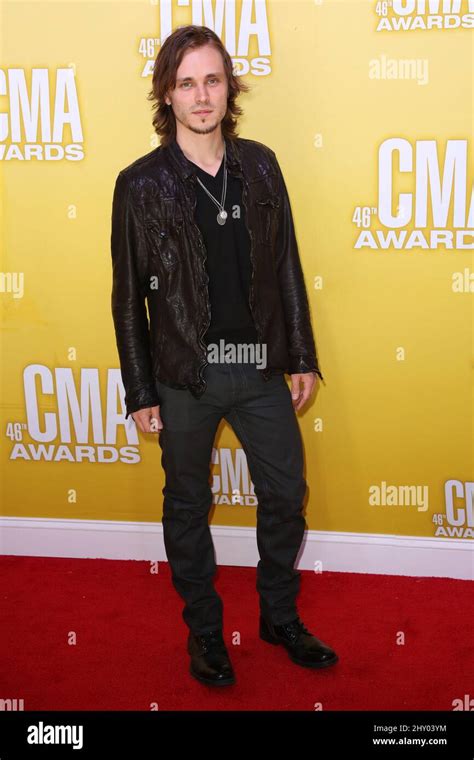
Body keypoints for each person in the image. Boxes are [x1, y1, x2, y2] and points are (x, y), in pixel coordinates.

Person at [110, 24, 338, 687]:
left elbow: (288, 265)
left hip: (261, 363)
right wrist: (140, 390)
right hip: (183, 374)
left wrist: (301, 353)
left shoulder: (261, 165)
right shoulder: (140, 185)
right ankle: (206, 635)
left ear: (228, 87)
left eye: (212, 80)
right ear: (167, 94)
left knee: (287, 495)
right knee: (186, 504)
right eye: (187, 83)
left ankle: (278, 616)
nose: (201, 95)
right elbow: (129, 301)